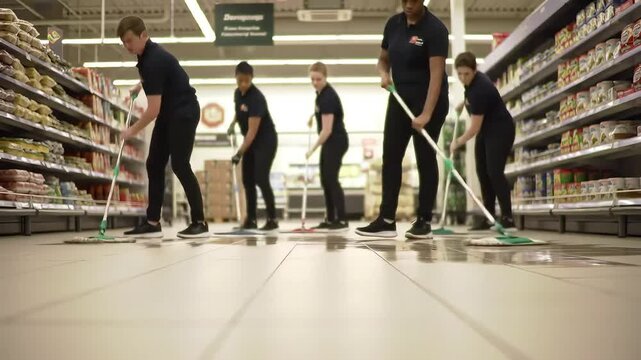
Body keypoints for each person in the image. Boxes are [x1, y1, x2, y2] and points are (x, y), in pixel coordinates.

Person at [356, 0, 449, 239]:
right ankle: (386, 220)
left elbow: (437, 76)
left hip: (430, 99)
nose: (408, 4)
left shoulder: (435, 30)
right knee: (391, 157)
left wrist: (426, 114)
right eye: (404, 0)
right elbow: (382, 59)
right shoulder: (393, 25)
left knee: (425, 159)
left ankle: (424, 221)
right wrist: (383, 74)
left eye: (414, 0)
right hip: (399, 98)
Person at [117, 16, 208, 239]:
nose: (127, 46)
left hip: (183, 111)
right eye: (124, 42)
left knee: (179, 164)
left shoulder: (154, 60)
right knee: (154, 163)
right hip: (169, 113)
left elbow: (153, 109)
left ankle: (200, 222)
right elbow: (156, 81)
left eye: (129, 41)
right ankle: (152, 223)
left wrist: (132, 130)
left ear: (143, 36)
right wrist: (140, 85)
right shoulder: (146, 55)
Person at [451, 52, 516, 230]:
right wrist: (463, 104)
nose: (463, 78)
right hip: (486, 131)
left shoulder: (480, 88)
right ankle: (489, 217)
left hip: (500, 130)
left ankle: (508, 218)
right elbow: (470, 97)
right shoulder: (472, 84)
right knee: (482, 172)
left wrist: (457, 142)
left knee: (494, 172)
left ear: (474, 70)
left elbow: (474, 129)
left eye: (466, 74)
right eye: (460, 74)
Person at [227, 62, 279, 232]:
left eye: (247, 81)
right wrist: (233, 123)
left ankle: (272, 219)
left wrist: (239, 153)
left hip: (265, 141)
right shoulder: (237, 94)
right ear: (236, 77)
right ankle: (251, 219)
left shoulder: (257, 98)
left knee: (260, 178)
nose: (243, 84)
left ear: (252, 79)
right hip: (250, 140)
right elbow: (240, 110)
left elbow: (252, 132)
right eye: (240, 80)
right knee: (247, 180)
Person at [305, 62, 349, 232]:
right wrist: (312, 116)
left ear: (325, 78)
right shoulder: (321, 94)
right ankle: (330, 219)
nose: (315, 82)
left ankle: (342, 220)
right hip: (330, 141)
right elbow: (323, 114)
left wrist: (312, 149)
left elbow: (327, 130)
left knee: (331, 179)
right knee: (325, 180)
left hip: (335, 140)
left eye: (318, 79)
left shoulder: (328, 96)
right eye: (312, 79)